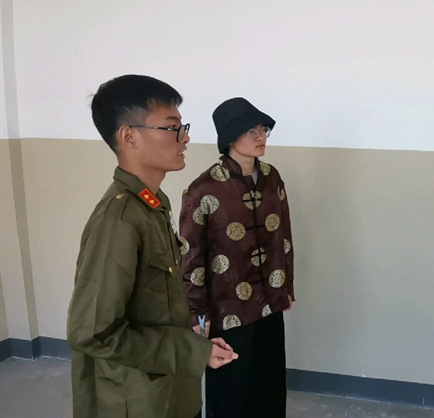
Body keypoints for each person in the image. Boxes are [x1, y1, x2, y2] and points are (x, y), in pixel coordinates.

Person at [67, 74, 238, 418]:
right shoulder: (119, 221)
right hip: (137, 400)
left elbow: (154, 304)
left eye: (182, 126)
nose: (185, 137)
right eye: (172, 127)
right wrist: (190, 352)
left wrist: (196, 343)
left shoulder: (153, 205)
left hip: (170, 391)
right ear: (128, 136)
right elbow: (92, 332)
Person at [180, 97, 295, 418]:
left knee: (270, 383)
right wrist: (196, 315)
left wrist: (286, 288)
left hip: (270, 300)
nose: (260, 137)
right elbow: (191, 258)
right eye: (251, 131)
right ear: (230, 137)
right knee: (231, 389)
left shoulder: (272, 177)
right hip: (227, 307)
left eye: (263, 130)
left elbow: (284, 238)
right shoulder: (202, 190)